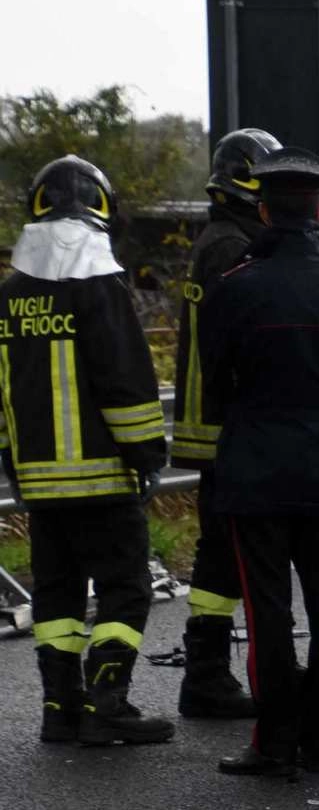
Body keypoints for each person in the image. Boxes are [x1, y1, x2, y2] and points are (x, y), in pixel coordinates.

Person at [201, 147, 319, 777]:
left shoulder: (234, 290)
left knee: (268, 613)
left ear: (263, 210)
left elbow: (214, 387)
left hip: (255, 474)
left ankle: (273, 744)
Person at [2, 155, 174, 745]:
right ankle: (109, 704)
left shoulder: (10, 292)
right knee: (125, 588)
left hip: (39, 484)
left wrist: (13, 463)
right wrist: (149, 450)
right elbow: (125, 378)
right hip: (103, 476)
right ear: (100, 207)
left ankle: (60, 708)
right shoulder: (101, 283)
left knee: (58, 594)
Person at [173, 127, 281, 719]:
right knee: (223, 556)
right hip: (227, 429)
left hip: (214, 427)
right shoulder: (230, 247)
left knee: (222, 553)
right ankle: (207, 674)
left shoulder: (219, 239)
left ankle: (207, 671)